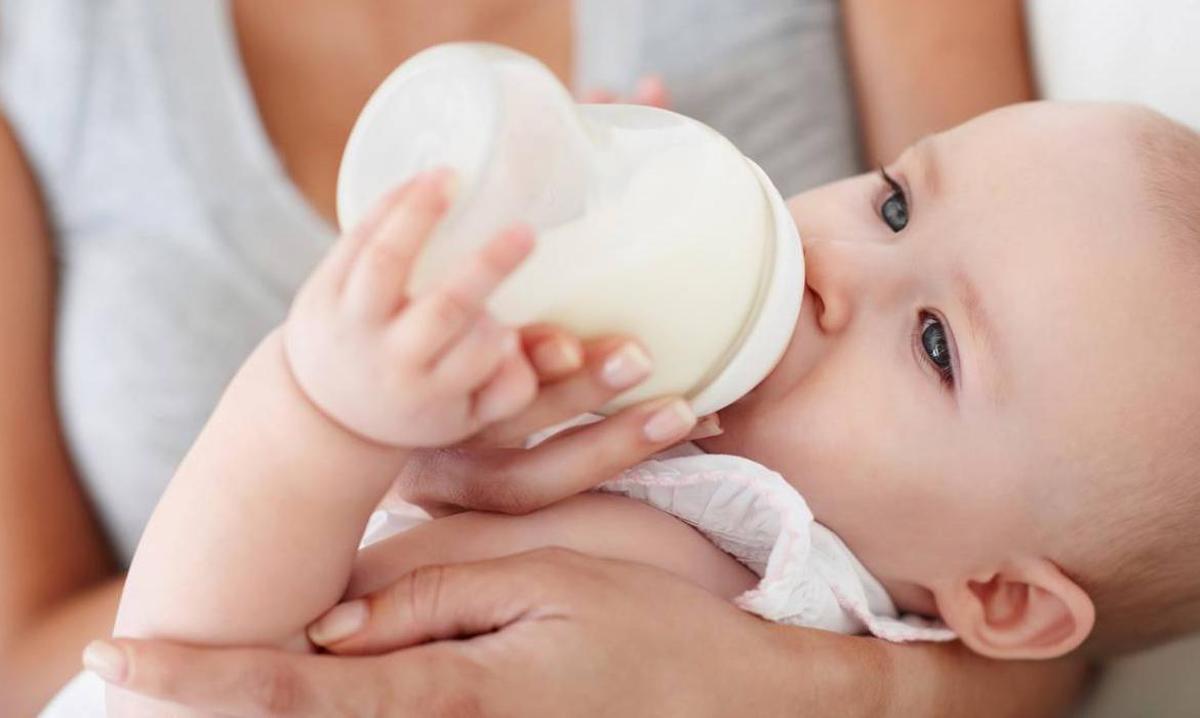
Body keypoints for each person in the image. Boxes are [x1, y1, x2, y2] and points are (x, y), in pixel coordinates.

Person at [1, 1, 1086, 716]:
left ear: (991, 594)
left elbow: (1064, 609)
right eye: (889, 201)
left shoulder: (840, 583)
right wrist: (335, 434)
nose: (833, 264)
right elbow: (169, 674)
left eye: (936, 342)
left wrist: (810, 688)